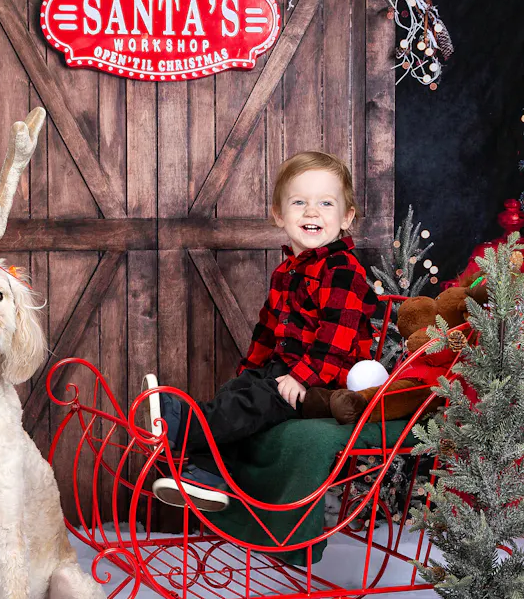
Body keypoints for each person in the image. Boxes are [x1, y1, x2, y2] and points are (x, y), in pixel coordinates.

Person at [140, 151, 379, 512]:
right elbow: (268, 330)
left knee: (256, 401)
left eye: (325, 203)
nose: (312, 212)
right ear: (279, 214)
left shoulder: (342, 270)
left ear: (346, 217)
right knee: (237, 392)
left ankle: (179, 423)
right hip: (287, 371)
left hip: (328, 385)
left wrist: (301, 378)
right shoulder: (286, 272)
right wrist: (250, 370)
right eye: (299, 202)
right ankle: (206, 476)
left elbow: (335, 340)